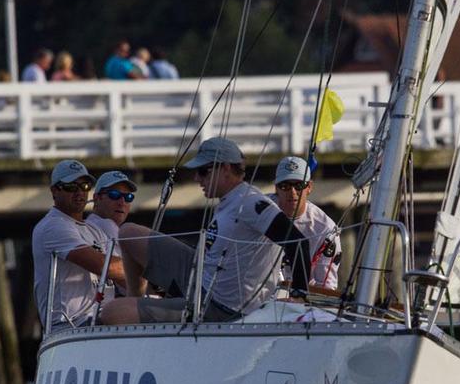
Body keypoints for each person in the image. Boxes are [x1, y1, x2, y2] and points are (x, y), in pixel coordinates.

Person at [100, 137, 310, 325]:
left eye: (203, 171)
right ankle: (137, 300)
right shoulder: (230, 200)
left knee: (111, 313)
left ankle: (135, 316)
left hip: (218, 307)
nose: (196, 179)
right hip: (200, 276)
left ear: (225, 169)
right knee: (128, 233)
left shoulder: (251, 202)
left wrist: (299, 294)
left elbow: (298, 242)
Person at [32, 160, 127, 329]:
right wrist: (148, 272)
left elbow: (121, 275)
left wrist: (156, 290)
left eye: (84, 186)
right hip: (71, 326)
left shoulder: (94, 230)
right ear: (54, 191)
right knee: (124, 310)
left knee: (153, 308)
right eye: (70, 187)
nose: (79, 192)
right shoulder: (53, 225)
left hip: (100, 321)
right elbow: (103, 266)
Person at [273, 156, 342, 290]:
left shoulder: (326, 230)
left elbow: (326, 286)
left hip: (301, 298)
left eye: (299, 185)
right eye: (285, 186)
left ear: (309, 187)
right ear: (276, 188)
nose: (292, 192)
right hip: (259, 294)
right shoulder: (259, 210)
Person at [86, 170, 138, 257]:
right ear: (96, 198)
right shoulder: (103, 225)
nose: (122, 202)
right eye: (114, 194)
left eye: (128, 197)